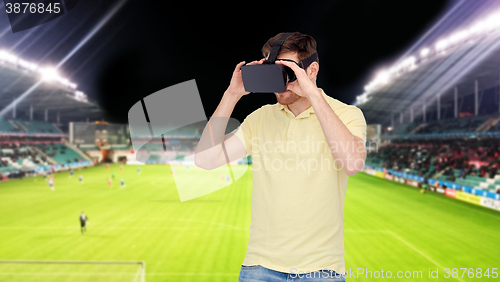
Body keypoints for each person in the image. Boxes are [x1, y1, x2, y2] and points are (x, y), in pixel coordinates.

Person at [194, 32, 366, 281]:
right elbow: (205, 160)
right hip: (259, 267)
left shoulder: (347, 115)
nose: (281, 82)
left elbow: (352, 163)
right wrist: (231, 95)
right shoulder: (261, 118)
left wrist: (312, 93)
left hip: (321, 269)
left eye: (288, 71)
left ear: (312, 69)